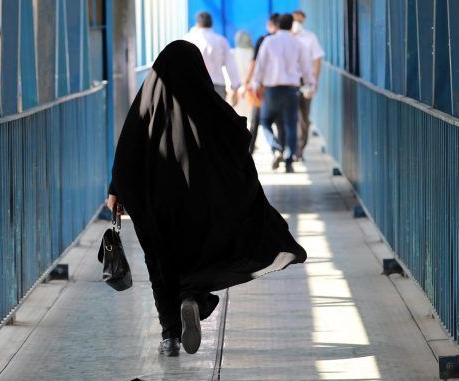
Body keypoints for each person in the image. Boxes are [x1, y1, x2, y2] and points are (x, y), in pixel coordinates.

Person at [107, 41, 307, 356]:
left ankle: (170, 336)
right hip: (200, 205)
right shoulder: (209, 106)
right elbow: (240, 136)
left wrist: (115, 190)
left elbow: (128, 151)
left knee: (160, 263)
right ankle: (195, 298)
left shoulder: (146, 106)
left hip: (155, 204)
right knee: (201, 254)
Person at [251, 14, 315, 173]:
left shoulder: (269, 41)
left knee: (265, 122)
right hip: (292, 91)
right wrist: (310, 84)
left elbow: (260, 65)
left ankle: (275, 148)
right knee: (291, 125)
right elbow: (306, 67)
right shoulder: (298, 43)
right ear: (292, 25)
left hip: (271, 90)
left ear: (278, 25)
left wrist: (256, 84)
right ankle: (289, 160)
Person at [245, 13, 285, 167]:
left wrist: (248, 81)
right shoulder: (287, 41)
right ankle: (281, 150)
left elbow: (255, 63)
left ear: (271, 25)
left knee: (257, 119)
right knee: (280, 122)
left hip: (262, 88)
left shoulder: (263, 40)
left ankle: (250, 152)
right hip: (281, 87)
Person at [184, 12, 241, 105]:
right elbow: (230, 64)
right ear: (211, 24)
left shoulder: (188, 39)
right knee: (217, 117)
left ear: (197, 23)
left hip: (195, 84)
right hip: (218, 86)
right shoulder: (221, 40)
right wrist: (235, 87)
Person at [292, 10, 324, 161]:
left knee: (304, 118)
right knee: (289, 117)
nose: (297, 23)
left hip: (305, 82)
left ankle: (300, 149)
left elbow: (317, 60)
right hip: (289, 83)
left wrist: (314, 82)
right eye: (295, 20)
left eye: (300, 20)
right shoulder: (284, 38)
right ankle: (289, 149)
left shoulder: (310, 38)